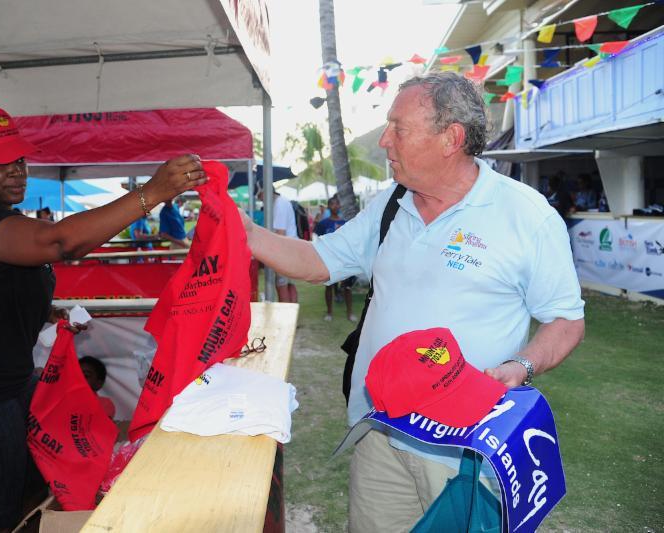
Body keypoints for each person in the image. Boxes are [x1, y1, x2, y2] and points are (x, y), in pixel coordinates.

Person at [239, 72, 585, 532]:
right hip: (380, 430)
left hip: (465, 449)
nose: (385, 141)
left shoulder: (527, 216)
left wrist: (521, 365)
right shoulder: (391, 204)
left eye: (398, 128)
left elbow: (566, 320)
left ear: (451, 139)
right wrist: (240, 230)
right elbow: (316, 260)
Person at [0, 105, 206, 533]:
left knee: (40, 486)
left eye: (20, 159)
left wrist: (49, 313)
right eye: (1, 161)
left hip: (6, 381)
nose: (17, 171)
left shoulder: (1, 220)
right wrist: (150, 193)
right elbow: (61, 242)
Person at [313, 195, 356, 322]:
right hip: (329, 259)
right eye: (332, 204)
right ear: (328, 207)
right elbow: (318, 240)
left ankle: (350, 313)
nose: (335, 206)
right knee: (329, 286)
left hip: (344, 259)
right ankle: (329, 312)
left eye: (337, 204)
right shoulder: (323, 224)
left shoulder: (345, 223)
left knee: (347, 287)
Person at [257, 184, 299, 303]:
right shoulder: (282, 202)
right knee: (290, 285)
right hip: (292, 249)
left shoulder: (279, 204)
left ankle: (286, 319)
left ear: (266, 192)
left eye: (260, 196)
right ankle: (292, 317)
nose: (260, 199)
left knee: (282, 286)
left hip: (285, 252)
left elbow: (280, 234)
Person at [79, 356, 116, 420]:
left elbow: (99, 426)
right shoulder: (61, 401)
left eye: (86, 375)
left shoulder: (104, 404)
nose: (78, 378)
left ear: (99, 383)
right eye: (75, 374)